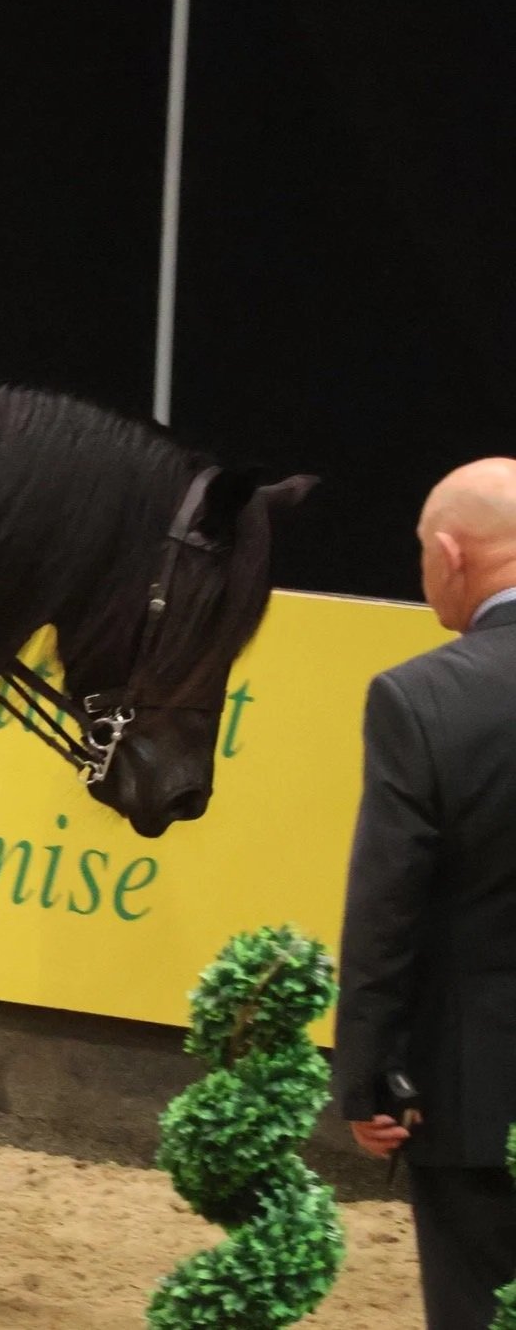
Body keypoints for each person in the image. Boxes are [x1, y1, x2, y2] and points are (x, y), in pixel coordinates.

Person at [334, 457, 516, 1330]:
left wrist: (368, 1075)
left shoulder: (420, 698)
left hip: (473, 1083)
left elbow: (386, 906)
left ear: (450, 553)